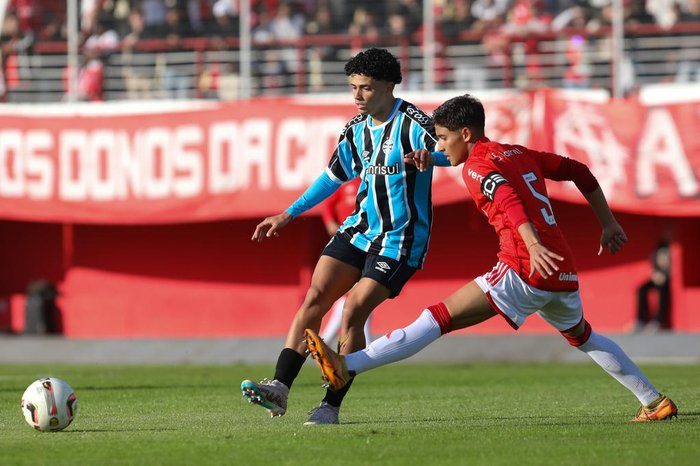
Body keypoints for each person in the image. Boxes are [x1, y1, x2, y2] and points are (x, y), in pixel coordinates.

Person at [304, 94, 678, 422]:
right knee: (583, 336)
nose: (441, 146)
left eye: (445, 139)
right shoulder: (516, 153)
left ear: (465, 134)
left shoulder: (476, 166)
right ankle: (653, 400)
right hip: (560, 268)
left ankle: (346, 365)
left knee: (436, 318)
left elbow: (507, 200)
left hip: (524, 266)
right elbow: (577, 170)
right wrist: (607, 223)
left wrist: (530, 244)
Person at [241, 48, 450, 425]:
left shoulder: (416, 122)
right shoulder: (355, 128)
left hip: (400, 240)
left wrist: (432, 158)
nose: (357, 96)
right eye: (353, 87)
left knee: (354, 310)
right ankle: (279, 388)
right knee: (314, 299)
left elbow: (457, 152)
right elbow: (333, 177)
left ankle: (329, 406)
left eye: (366, 88)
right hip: (358, 229)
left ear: (389, 86)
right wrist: (289, 212)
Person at [319, 177, 372, 346]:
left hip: (369, 242)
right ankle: (328, 339)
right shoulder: (346, 182)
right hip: (347, 242)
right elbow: (327, 205)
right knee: (352, 294)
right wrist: (330, 223)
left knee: (365, 293)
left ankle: (328, 339)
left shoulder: (373, 179)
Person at [634, 238, 671, 333]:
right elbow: (654, 268)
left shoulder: (672, 250)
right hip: (657, 277)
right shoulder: (657, 251)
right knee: (642, 289)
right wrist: (655, 275)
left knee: (663, 291)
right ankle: (641, 320)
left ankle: (657, 321)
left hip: (667, 279)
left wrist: (665, 275)